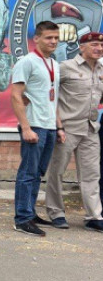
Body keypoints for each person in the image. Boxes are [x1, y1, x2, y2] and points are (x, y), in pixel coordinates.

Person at [45, 32, 103, 232]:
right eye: (94, 44)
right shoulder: (66, 68)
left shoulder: (102, 69)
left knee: (91, 175)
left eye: (101, 45)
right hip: (67, 128)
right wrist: (58, 125)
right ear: (82, 47)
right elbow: (50, 97)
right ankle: (56, 212)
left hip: (91, 128)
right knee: (57, 172)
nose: (99, 48)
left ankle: (94, 216)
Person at [10, 21, 62, 236]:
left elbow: (53, 97)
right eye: (49, 37)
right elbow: (15, 95)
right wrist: (26, 127)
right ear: (37, 38)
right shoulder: (27, 62)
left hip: (48, 126)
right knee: (28, 173)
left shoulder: (54, 63)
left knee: (38, 172)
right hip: (34, 126)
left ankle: (30, 212)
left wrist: (59, 127)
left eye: (56, 38)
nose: (53, 42)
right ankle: (22, 218)